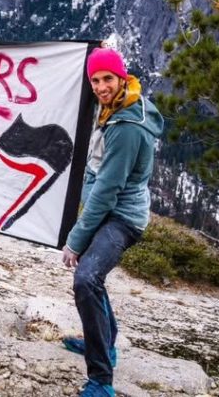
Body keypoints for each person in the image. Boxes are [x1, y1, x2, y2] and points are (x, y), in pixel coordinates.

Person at [62, 47, 164, 397]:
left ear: (122, 77)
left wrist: (76, 239)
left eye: (107, 78)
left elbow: (108, 190)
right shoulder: (119, 105)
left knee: (86, 278)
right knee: (94, 278)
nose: (101, 86)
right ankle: (104, 344)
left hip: (120, 217)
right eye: (95, 80)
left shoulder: (127, 127)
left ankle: (101, 381)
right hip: (109, 212)